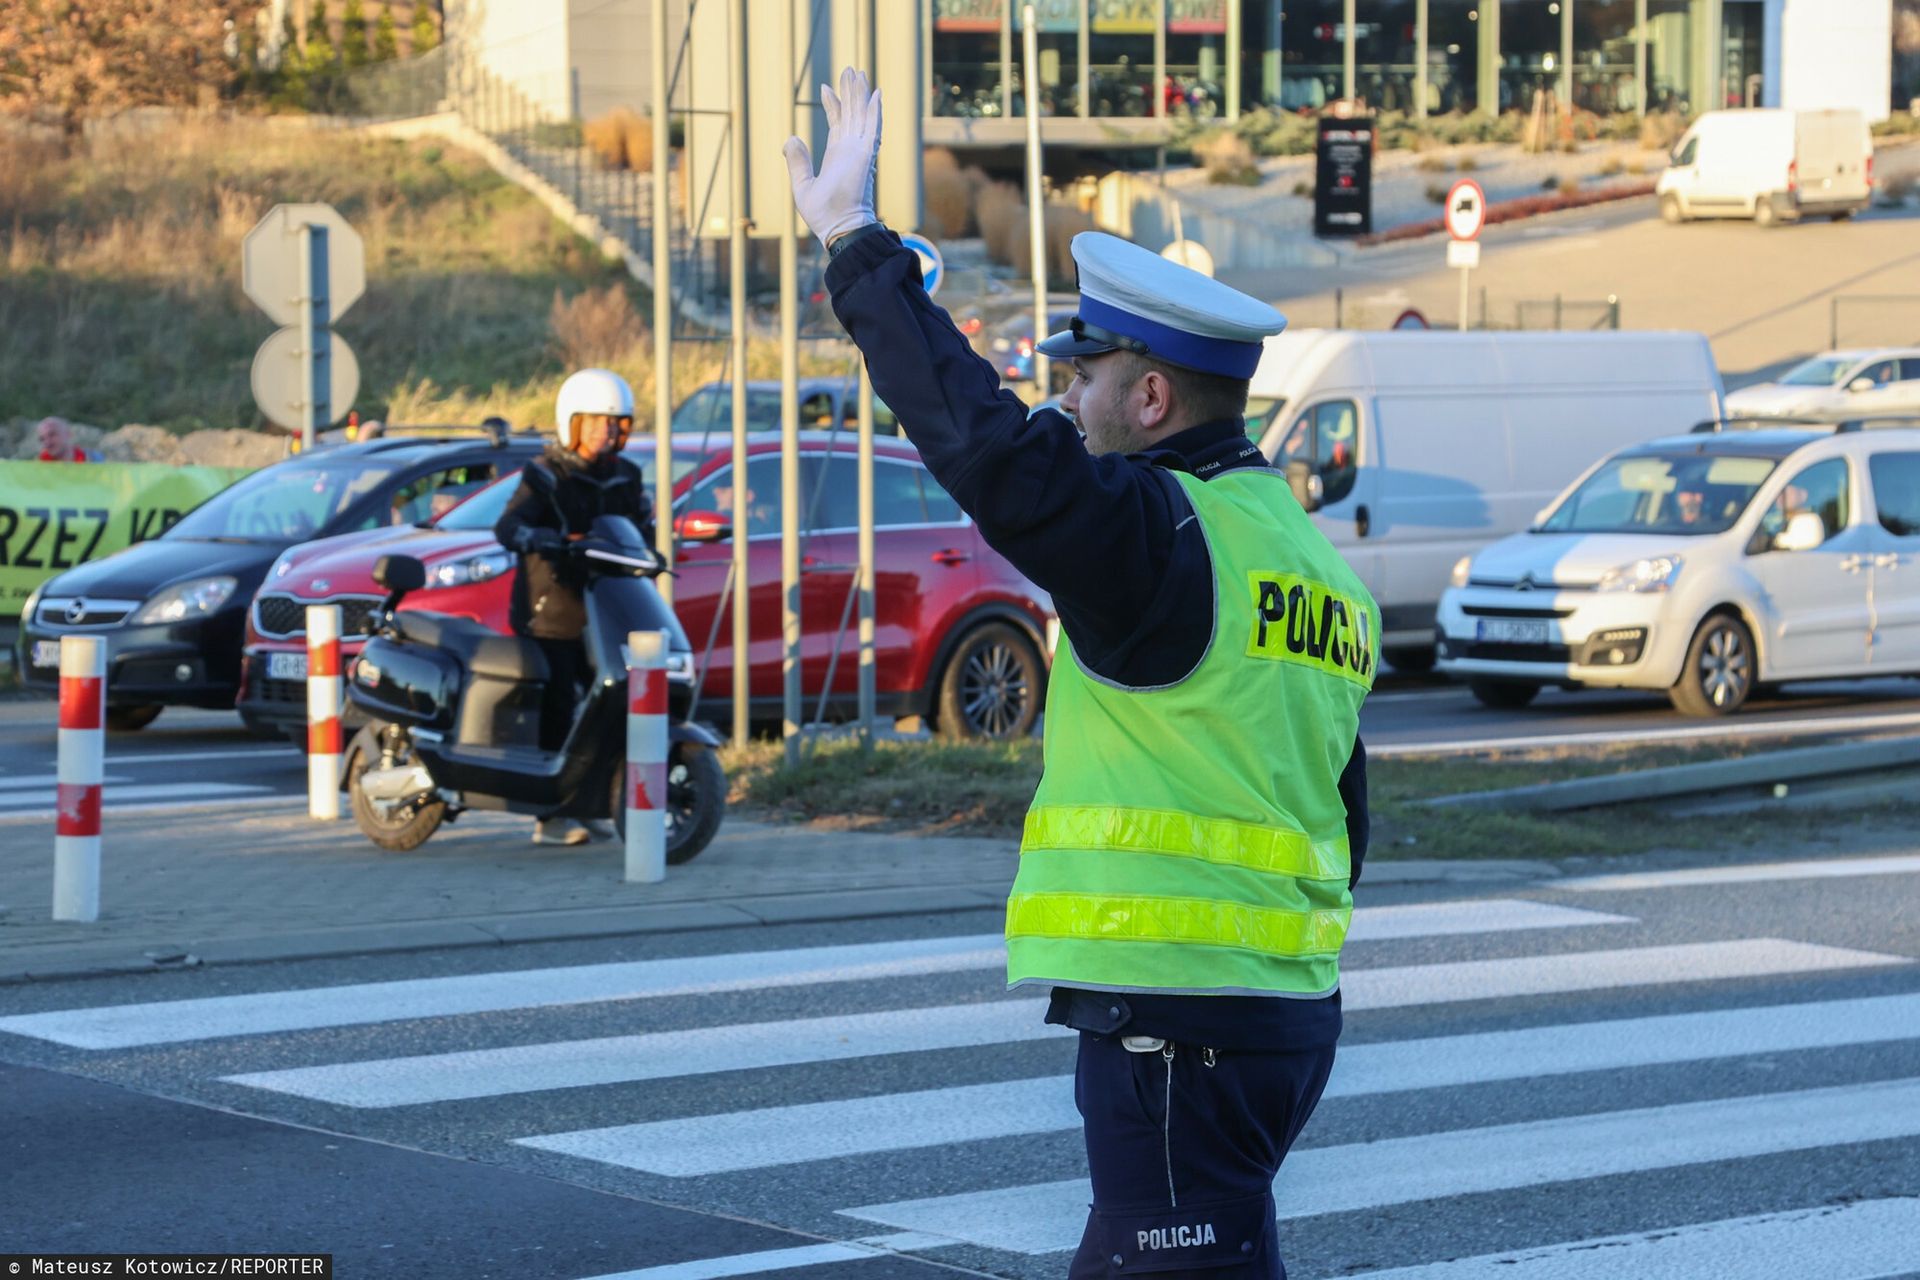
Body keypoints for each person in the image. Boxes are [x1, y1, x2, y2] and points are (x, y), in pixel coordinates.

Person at [787, 69, 1375, 1280]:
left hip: (1180, 1025)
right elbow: (1342, 804)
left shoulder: (1158, 535)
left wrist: (856, 248)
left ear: (1149, 395)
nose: (1064, 397)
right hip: (1282, 1019)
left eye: (1084, 377)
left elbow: (988, 452)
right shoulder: (1312, 562)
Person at [494, 368, 653, 847]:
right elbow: (508, 526)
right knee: (561, 704)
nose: (607, 431)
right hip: (553, 610)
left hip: (609, 608)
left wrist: (651, 549)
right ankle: (551, 813)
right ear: (572, 423)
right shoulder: (545, 474)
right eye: (596, 422)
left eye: (615, 422)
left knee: (610, 707)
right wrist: (539, 537)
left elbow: (640, 526)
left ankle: (593, 802)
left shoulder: (627, 475)